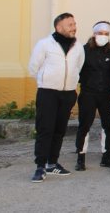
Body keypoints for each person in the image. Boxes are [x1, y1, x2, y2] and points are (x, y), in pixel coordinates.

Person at [28, 12, 85, 182]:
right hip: (48, 92)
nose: (74, 27)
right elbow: (33, 67)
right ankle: (40, 166)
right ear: (59, 27)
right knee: (45, 129)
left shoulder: (78, 47)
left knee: (59, 130)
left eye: (74, 24)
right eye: (70, 25)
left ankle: (52, 164)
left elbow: (78, 67)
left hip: (68, 93)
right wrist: (47, 80)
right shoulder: (45, 44)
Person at [74, 21, 110, 171]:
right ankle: (80, 157)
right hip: (88, 93)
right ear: (94, 33)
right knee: (84, 125)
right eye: (100, 33)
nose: (103, 36)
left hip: (107, 94)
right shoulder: (83, 50)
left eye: (106, 34)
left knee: (108, 126)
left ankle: (106, 156)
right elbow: (76, 71)